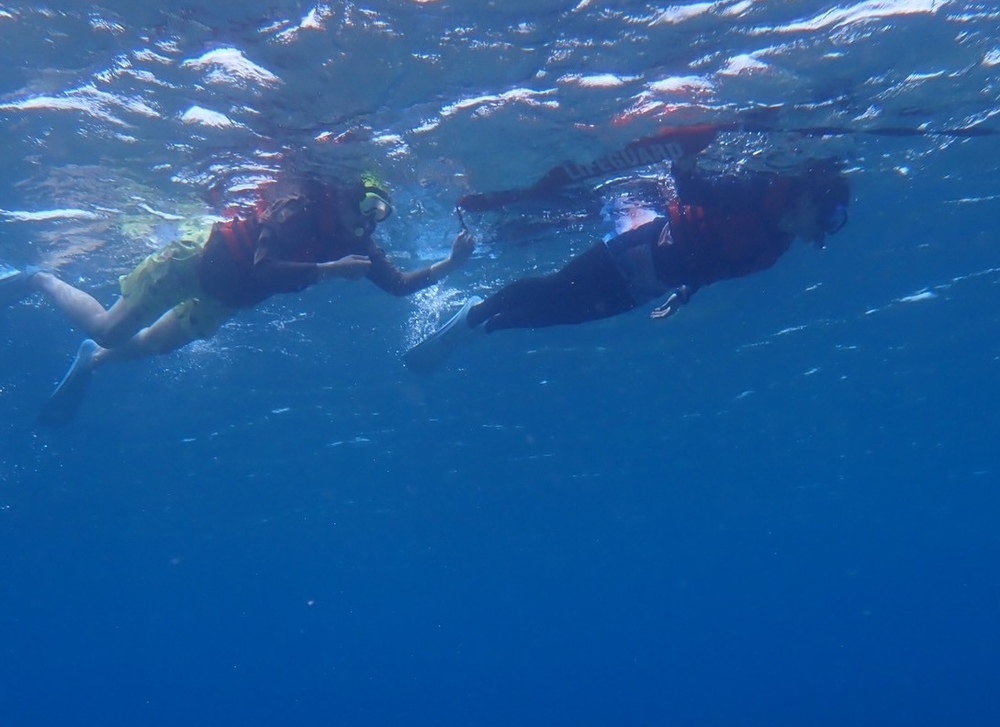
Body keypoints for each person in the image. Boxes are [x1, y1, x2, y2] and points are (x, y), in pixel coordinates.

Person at [1, 174, 475, 424]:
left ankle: (91, 362)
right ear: (348, 198)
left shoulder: (358, 243)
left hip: (225, 299)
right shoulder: (298, 209)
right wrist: (329, 270)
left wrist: (451, 264)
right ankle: (40, 279)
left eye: (380, 215)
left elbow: (398, 286)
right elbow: (264, 267)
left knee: (154, 346)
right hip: (196, 261)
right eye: (368, 208)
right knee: (109, 329)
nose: (371, 221)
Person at [404, 155, 849, 373]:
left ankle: (483, 328)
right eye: (827, 219)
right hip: (635, 251)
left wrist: (684, 294)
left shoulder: (776, 247)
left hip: (647, 288)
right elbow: (695, 193)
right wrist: (685, 161)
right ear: (808, 199)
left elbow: (715, 267)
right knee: (553, 289)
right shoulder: (755, 194)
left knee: (559, 315)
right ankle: (476, 314)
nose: (822, 233)